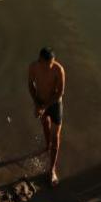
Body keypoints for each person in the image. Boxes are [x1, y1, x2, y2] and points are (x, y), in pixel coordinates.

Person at [28, 47, 65, 186]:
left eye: (52, 62)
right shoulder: (33, 67)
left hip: (54, 104)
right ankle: (47, 146)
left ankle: (52, 169)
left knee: (56, 137)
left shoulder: (58, 69)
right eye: (48, 63)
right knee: (45, 125)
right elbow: (30, 85)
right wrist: (37, 103)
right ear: (41, 61)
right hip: (41, 101)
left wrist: (45, 106)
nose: (51, 66)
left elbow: (60, 92)